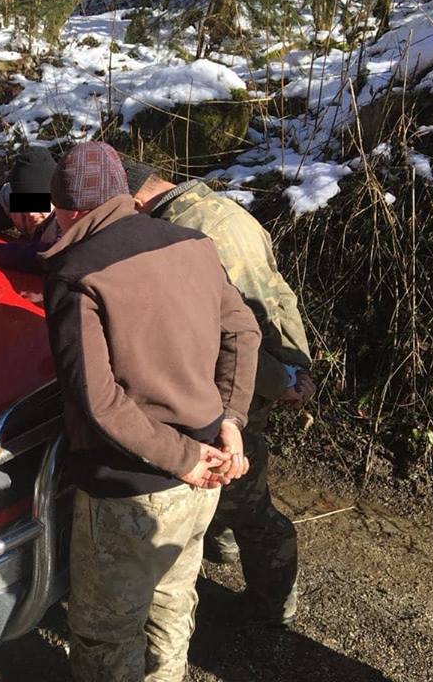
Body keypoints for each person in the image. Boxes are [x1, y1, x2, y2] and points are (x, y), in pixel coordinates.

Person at [41, 141, 260, 682]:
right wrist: (230, 422)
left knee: (105, 632)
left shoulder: (76, 275)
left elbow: (98, 401)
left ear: (65, 210)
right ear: (122, 192)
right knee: (173, 598)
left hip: (129, 489)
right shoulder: (192, 243)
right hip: (208, 471)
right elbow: (244, 331)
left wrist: (180, 458)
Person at [126, 158, 314, 626]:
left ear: (135, 202)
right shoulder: (219, 210)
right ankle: (225, 539)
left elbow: (235, 331)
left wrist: (284, 379)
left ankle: (273, 602)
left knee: (246, 495)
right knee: (237, 478)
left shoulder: (187, 238)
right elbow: (274, 296)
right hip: (270, 368)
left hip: (249, 379)